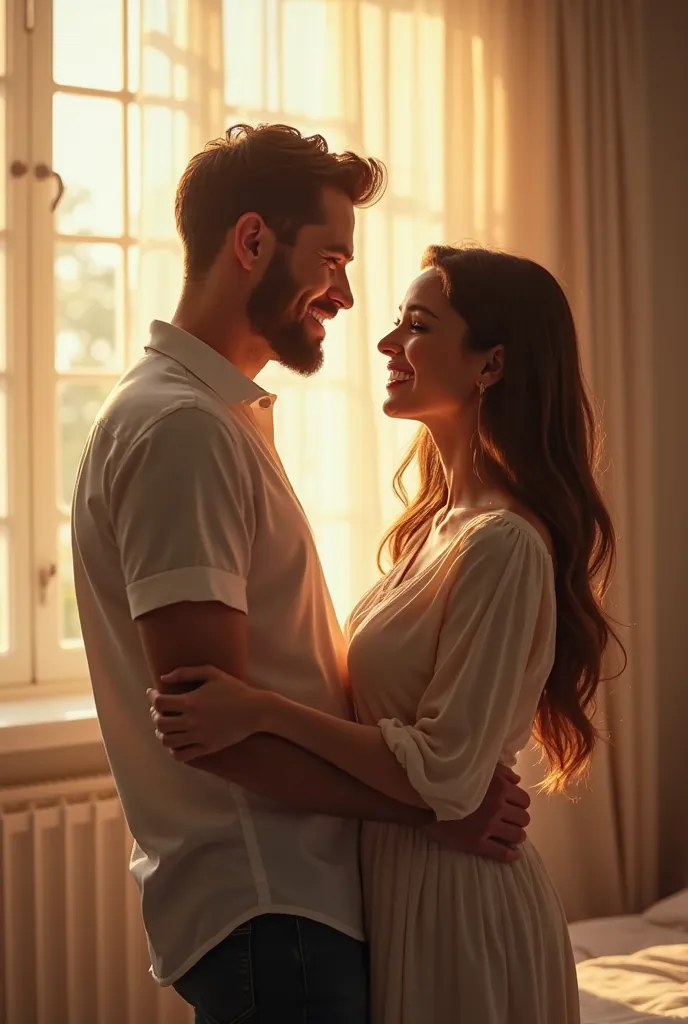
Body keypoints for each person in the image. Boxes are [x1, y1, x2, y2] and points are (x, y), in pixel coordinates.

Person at [71, 125, 532, 1024]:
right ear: (252, 242)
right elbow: (218, 726)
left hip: (291, 905)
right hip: (272, 903)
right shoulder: (184, 430)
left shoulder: (213, 420)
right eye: (331, 258)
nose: (349, 295)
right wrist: (435, 814)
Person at [151, 244, 623, 1023]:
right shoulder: (432, 531)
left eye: (417, 325)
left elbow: (445, 774)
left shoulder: (503, 544)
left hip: (461, 905)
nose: (385, 344)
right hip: (398, 882)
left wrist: (261, 710)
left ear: (490, 364)